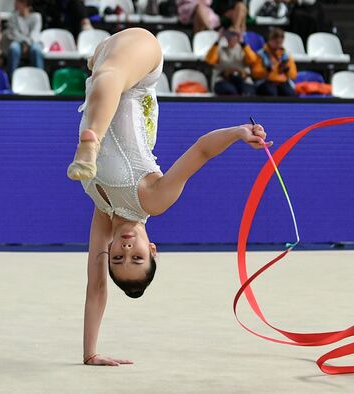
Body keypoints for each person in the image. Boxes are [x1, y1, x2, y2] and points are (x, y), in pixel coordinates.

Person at [66, 28, 272, 366]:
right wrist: (237, 133)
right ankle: (90, 141)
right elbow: (202, 151)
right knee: (110, 75)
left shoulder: (103, 211)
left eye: (118, 259)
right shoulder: (152, 200)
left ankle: (97, 72)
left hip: (106, 68)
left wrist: (90, 353)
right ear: (153, 250)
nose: (126, 251)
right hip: (140, 66)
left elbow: (96, 287)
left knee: (104, 72)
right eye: (137, 258)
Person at [205, 27, 257, 96]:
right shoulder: (219, 49)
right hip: (223, 79)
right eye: (229, 34)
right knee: (229, 92)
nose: (232, 37)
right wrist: (218, 40)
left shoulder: (244, 49)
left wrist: (242, 42)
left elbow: (253, 59)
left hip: (243, 79)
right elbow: (210, 60)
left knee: (247, 92)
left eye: (234, 34)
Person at [1, 0, 44, 77]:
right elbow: (14, 33)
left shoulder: (36, 17)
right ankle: (12, 78)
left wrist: (27, 43)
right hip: (18, 41)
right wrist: (24, 42)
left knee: (36, 49)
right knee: (14, 48)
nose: (15, 4)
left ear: (24, 3)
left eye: (17, 2)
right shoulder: (13, 17)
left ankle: (40, 77)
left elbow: (35, 32)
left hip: (32, 42)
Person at [251, 27, 297, 97]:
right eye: (276, 42)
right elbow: (255, 73)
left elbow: (293, 75)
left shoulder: (286, 55)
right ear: (270, 40)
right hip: (266, 82)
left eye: (280, 42)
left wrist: (287, 70)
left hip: (282, 82)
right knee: (271, 93)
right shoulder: (261, 54)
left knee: (290, 94)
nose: (278, 45)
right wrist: (267, 70)